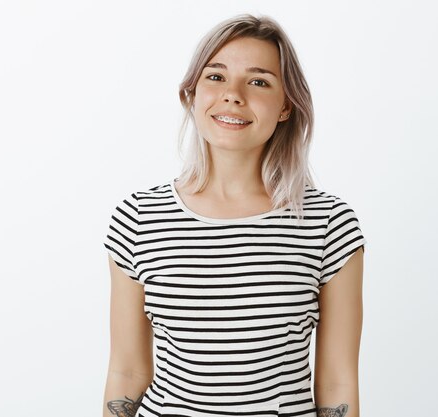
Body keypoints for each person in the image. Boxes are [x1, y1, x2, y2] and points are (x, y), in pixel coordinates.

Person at [102, 13, 366, 417]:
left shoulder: (328, 224)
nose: (233, 95)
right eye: (216, 77)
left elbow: (337, 382)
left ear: (285, 107)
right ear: (191, 94)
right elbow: (127, 371)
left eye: (259, 81)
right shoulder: (138, 218)